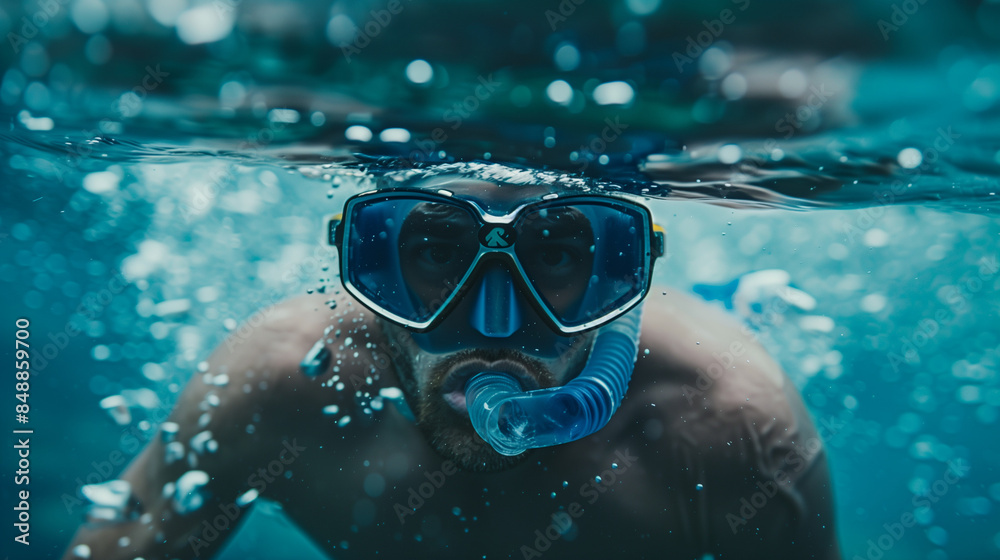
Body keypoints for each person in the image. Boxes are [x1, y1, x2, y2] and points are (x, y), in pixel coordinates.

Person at [62, 168, 842, 560]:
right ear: (369, 271)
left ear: (617, 280)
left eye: (557, 253)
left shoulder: (727, 421)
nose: (496, 327)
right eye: (437, 250)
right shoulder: (285, 383)